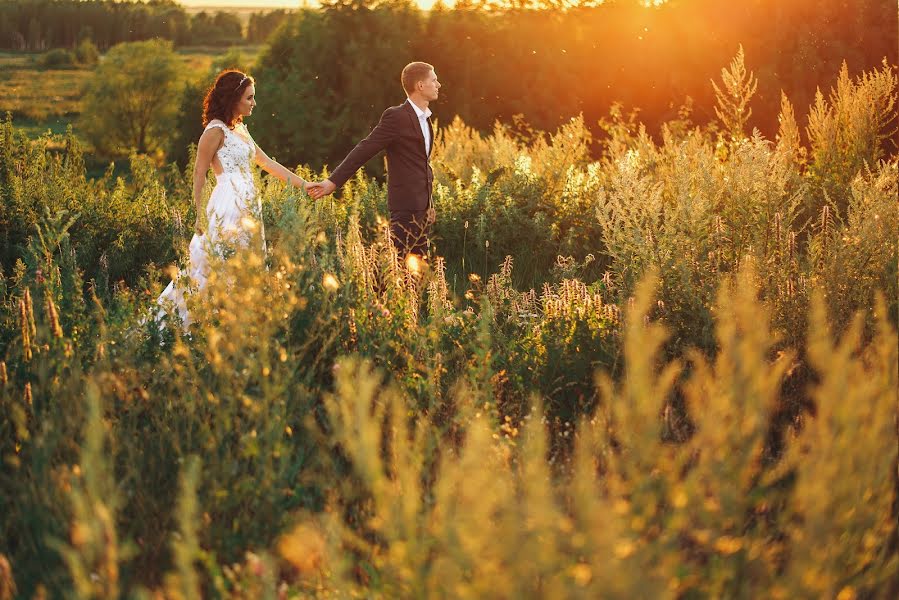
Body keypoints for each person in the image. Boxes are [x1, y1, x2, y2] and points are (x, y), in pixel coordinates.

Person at [157, 69, 310, 329]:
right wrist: (200, 213)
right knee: (217, 265)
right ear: (233, 98)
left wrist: (305, 185)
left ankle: (235, 326)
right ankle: (192, 326)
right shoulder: (214, 131)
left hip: (248, 204)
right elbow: (199, 173)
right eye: (249, 98)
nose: (254, 103)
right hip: (227, 204)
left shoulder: (239, 129)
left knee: (245, 268)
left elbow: (267, 162)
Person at [307, 61, 441, 260]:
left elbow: (422, 165)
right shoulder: (396, 117)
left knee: (417, 274)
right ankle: (370, 289)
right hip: (404, 208)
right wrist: (332, 182)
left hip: (422, 209)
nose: (438, 84)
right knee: (395, 267)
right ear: (420, 85)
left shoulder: (425, 119)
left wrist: (429, 204)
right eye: (434, 80)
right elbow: (364, 149)